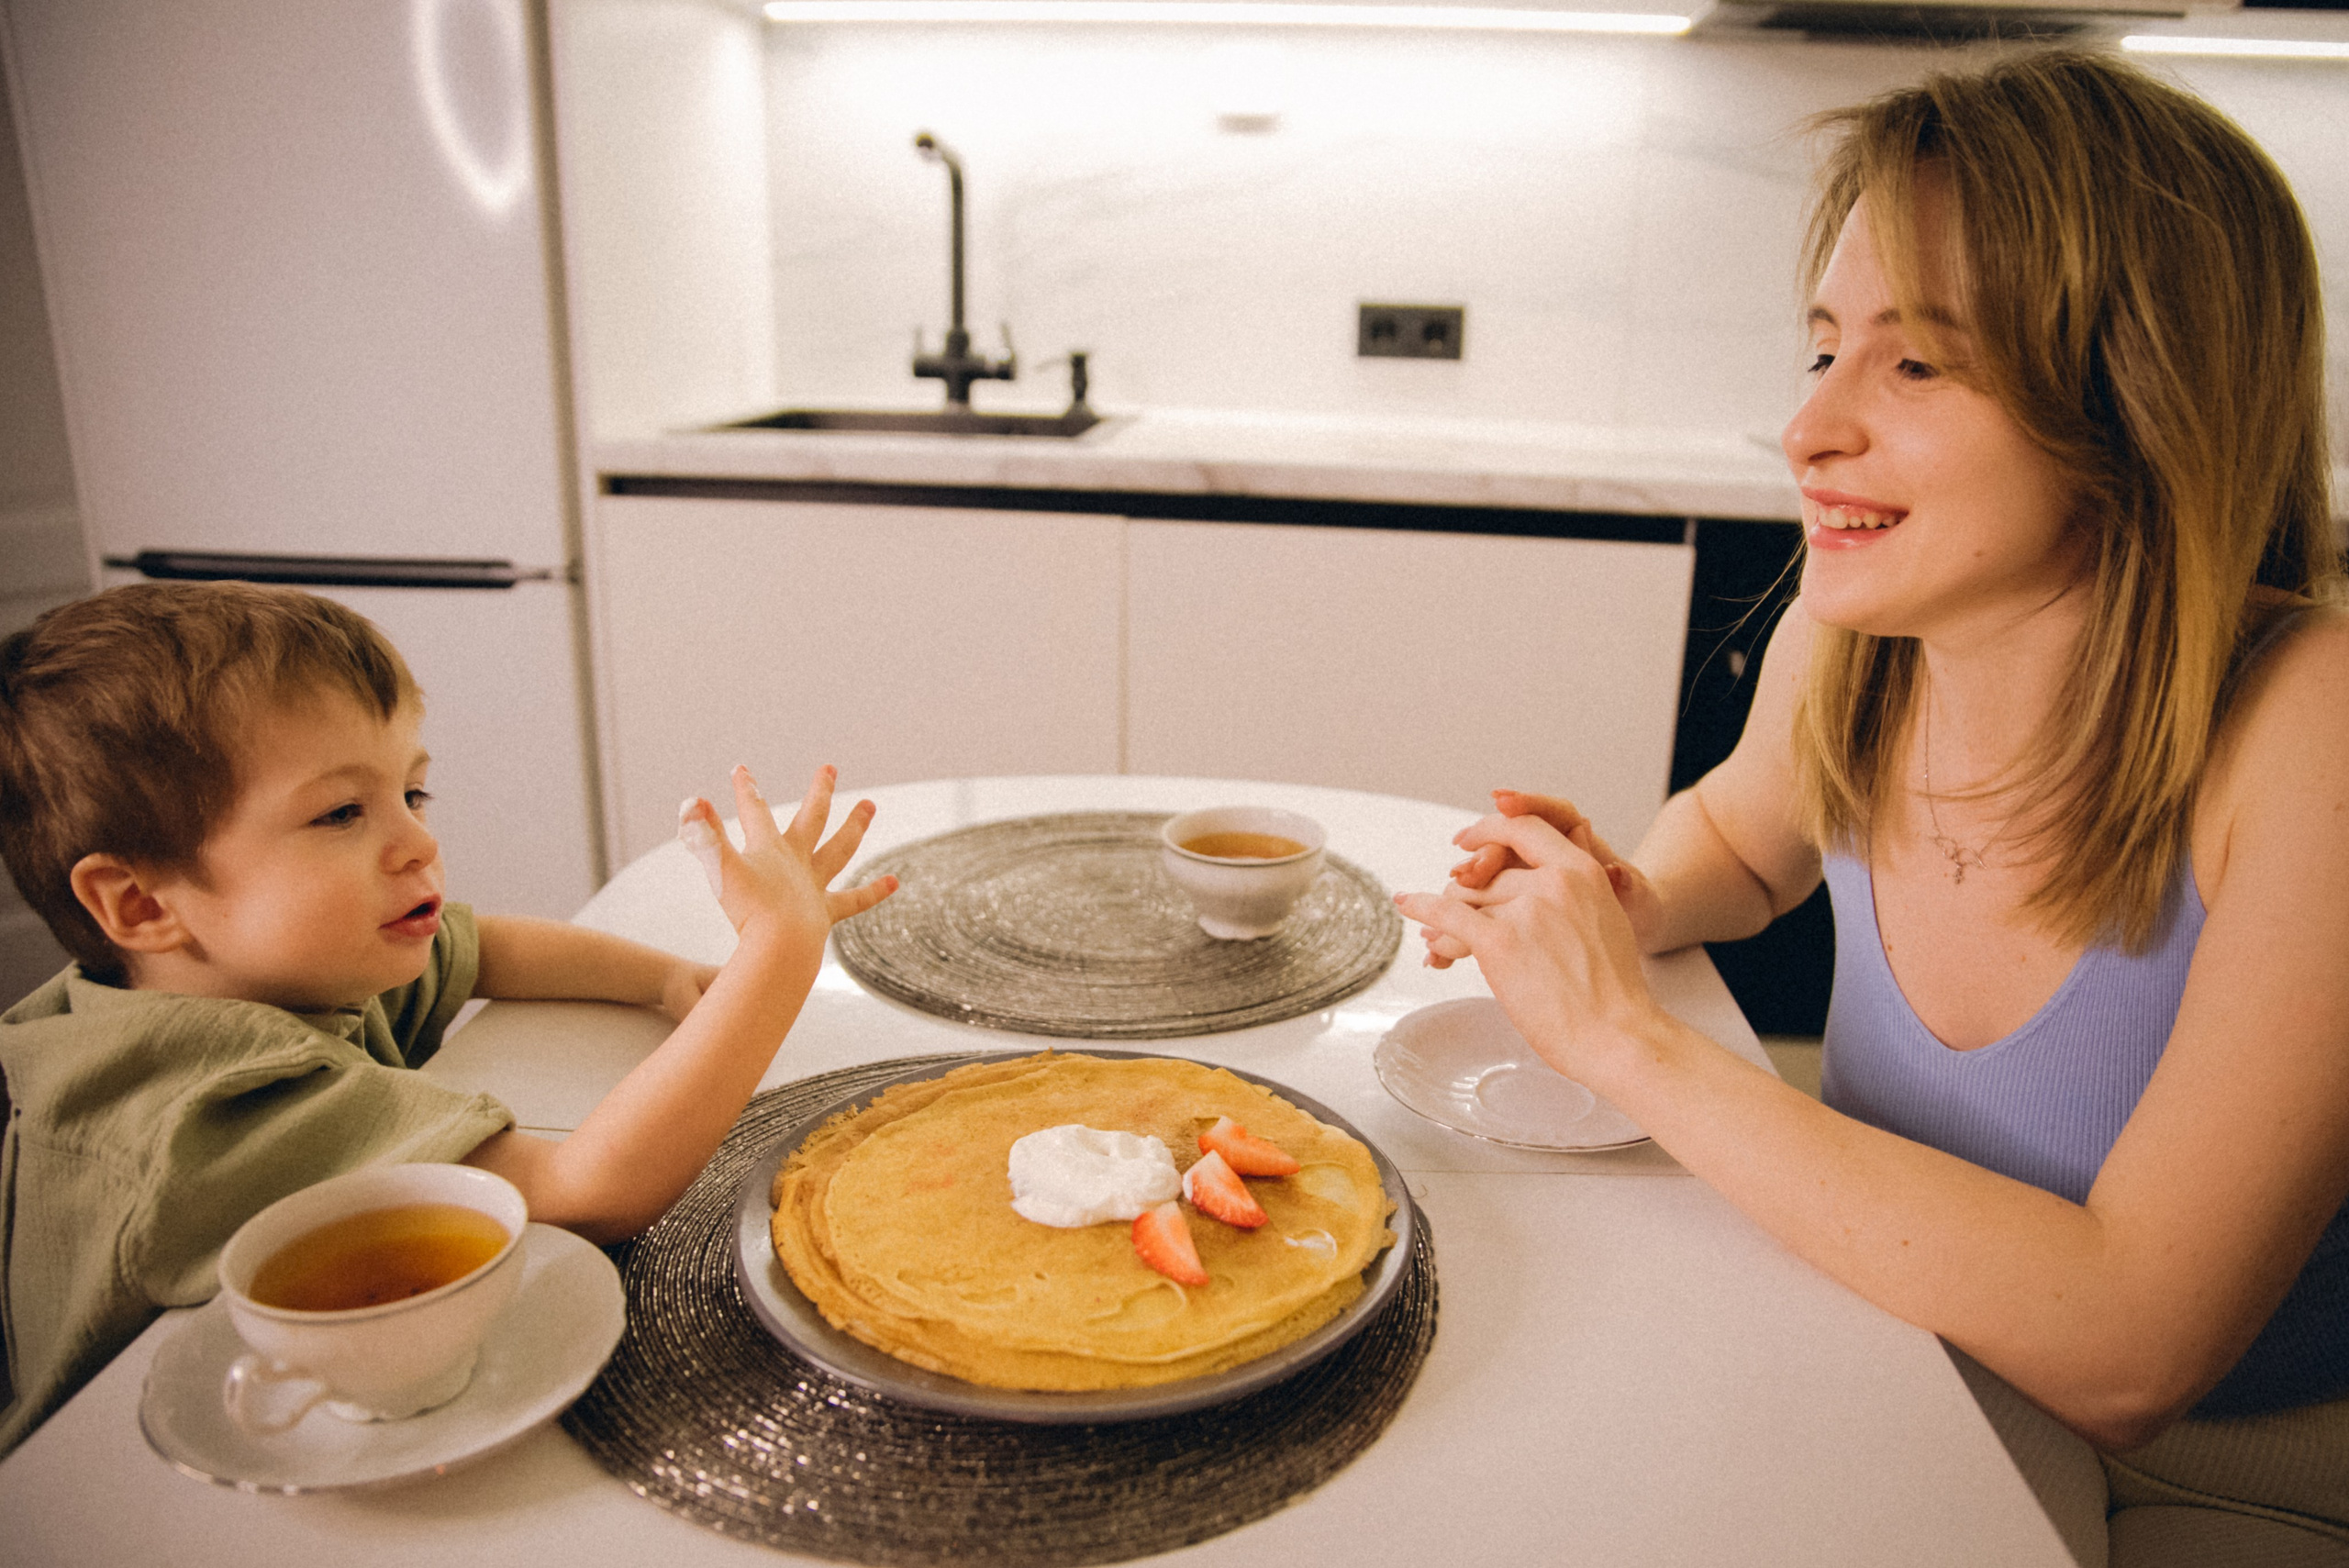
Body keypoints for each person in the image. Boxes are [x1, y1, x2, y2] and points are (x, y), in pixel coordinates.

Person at [1399, 50, 2348, 1565]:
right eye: (1823, 351)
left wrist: (1626, 1039)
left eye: (1916, 365)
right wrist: (1636, 900)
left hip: (2225, 1475)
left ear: (2140, 398)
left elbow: (2130, 1346)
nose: (1812, 431)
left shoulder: (2313, 724)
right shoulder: (1858, 643)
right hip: (1900, 1340)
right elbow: (1741, 834)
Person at [0, 580, 896, 1455]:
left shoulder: (278, 966)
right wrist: (775, 953)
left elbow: (479, 947)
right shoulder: (208, 1106)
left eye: (411, 794)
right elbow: (587, 1193)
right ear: (141, 905)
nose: (418, 840)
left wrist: (664, 980)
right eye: (342, 810)